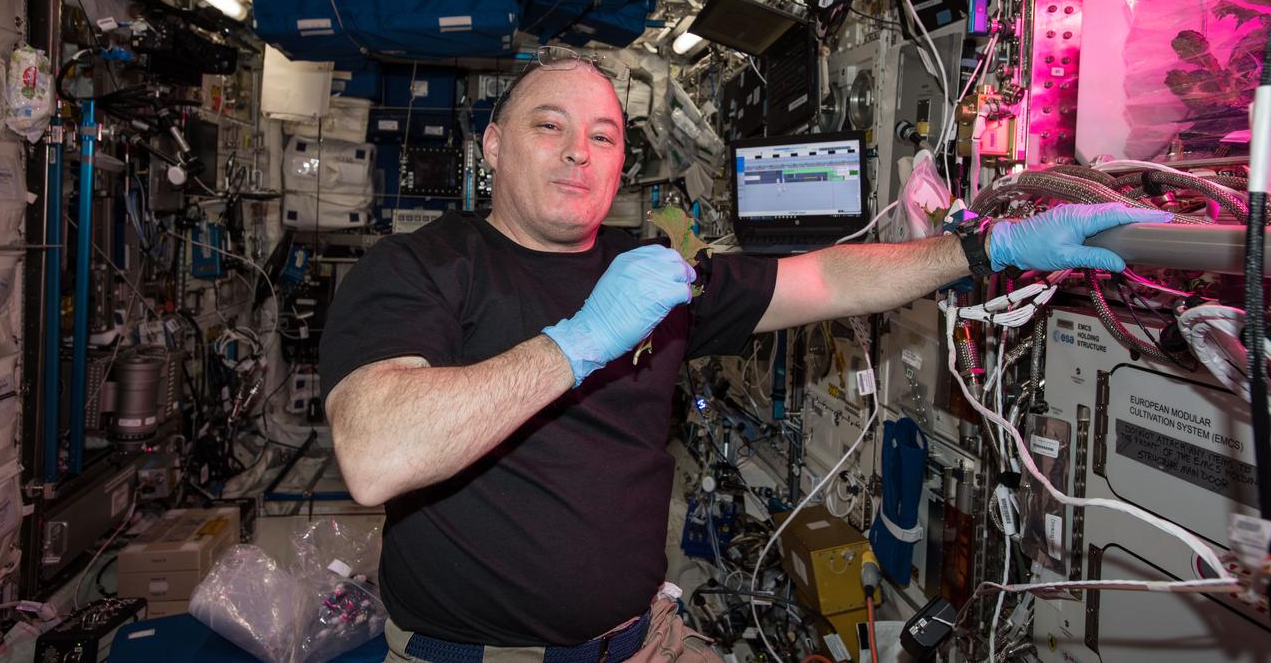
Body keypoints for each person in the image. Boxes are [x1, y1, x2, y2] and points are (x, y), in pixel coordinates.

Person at [319, 55, 1168, 663]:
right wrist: (579, 342)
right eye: (550, 126)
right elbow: (377, 453)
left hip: (636, 641)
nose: (579, 150)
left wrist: (984, 249)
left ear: (621, 164)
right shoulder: (420, 269)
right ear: (494, 147)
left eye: (605, 135)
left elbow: (825, 274)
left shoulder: (652, 274)